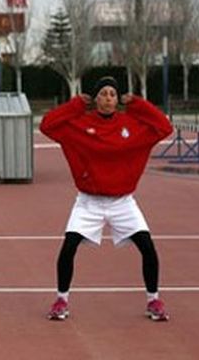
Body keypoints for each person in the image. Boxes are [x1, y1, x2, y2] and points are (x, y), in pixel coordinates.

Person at [39, 76, 174, 322]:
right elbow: (47, 125)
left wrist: (137, 104)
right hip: (89, 202)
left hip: (122, 202)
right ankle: (61, 300)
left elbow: (165, 127)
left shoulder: (132, 125)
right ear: (95, 98)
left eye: (113, 94)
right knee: (68, 248)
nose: (108, 98)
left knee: (147, 248)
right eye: (103, 93)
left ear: (118, 99)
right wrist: (76, 105)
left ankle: (154, 300)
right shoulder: (78, 125)